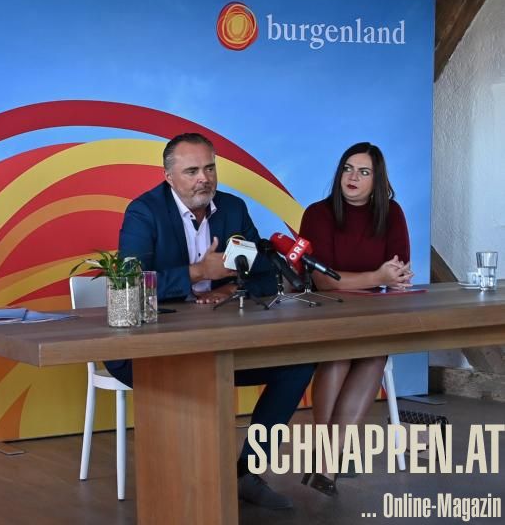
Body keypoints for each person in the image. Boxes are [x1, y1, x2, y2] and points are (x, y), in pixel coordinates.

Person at [104, 132, 315, 510]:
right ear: (169, 177)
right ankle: (186, 490)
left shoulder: (232, 209)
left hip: (219, 344)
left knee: (297, 363)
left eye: (210, 168)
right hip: (150, 349)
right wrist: (198, 272)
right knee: (197, 374)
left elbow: (266, 274)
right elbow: (130, 285)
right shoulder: (143, 212)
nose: (204, 178)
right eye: (192, 171)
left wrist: (232, 285)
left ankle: (247, 472)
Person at [298, 142, 412, 496]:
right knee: (340, 353)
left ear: (377, 180)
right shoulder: (318, 213)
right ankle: (326, 455)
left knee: (374, 354)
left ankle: (328, 458)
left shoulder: (391, 213)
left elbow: (399, 270)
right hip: (324, 309)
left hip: (371, 312)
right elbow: (324, 281)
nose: (353, 177)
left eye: (364, 172)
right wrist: (376, 277)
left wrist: (387, 278)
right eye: (348, 168)